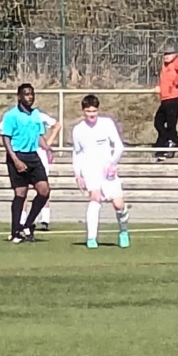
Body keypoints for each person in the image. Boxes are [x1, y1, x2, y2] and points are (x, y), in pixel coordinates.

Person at [72, 94, 129, 249]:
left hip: (107, 170)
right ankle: (91, 238)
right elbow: (77, 153)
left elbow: (119, 146)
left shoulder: (107, 124)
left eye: (94, 111)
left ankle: (123, 231)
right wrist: (78, 174)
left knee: (118, 205)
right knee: (95, 198)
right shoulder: (78, 130)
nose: (91, 114)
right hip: (90, 169)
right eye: (88, 111)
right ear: (83, 111)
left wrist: (112, 163)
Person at [0, 83, 51, 243]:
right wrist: (15, 160)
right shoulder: (11, 115)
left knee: (44, 190)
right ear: (19, 96)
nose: (30, 97)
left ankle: (28, 224)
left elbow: (39, 135)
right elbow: (6, 138)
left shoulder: (36, 114)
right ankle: (15, 231)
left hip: (33, 156)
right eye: (26, 94)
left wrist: (48, 149)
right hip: (17, 155)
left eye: (32, 94)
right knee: (20, 194)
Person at [154, 46, 178, 160]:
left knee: (171, 124)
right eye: (165, 54)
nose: (166, 56)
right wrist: (159, 86)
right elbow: (164, 80)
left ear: (174, 54)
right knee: (158, 122)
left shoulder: (176, 62)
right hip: (165, 98)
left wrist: (176, 83)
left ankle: (171, 143)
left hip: (174, 97)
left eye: (168, 54)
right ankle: (172, 139)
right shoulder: (165, 65)